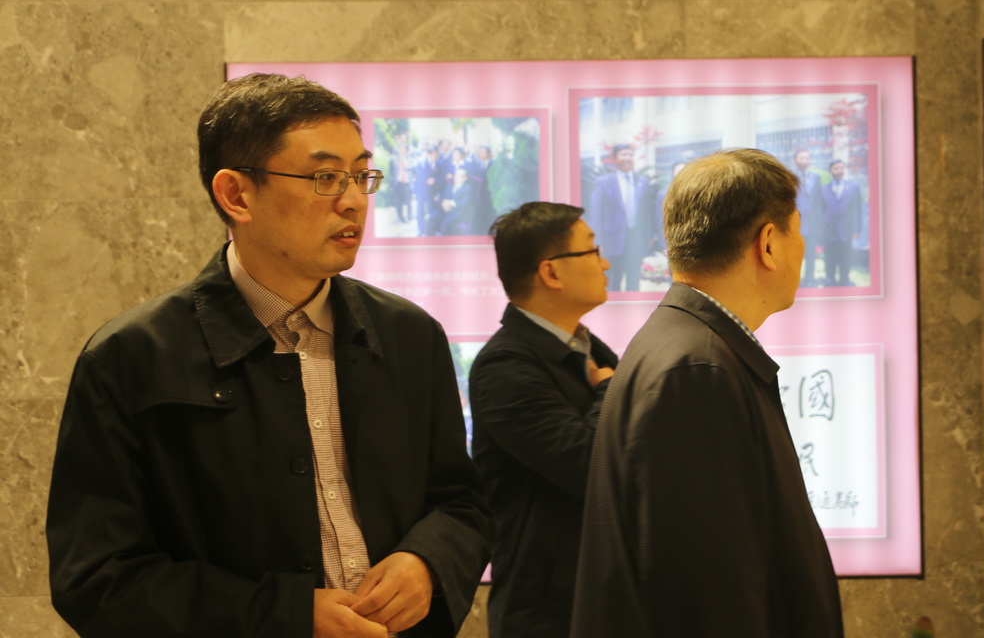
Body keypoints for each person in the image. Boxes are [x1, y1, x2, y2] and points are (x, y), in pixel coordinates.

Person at [46, 73, 491, 638]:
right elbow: (96, 578)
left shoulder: (409, 334)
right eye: (325, 178)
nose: (354, 201)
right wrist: (286, 616)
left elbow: (462, 502)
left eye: (360, 175)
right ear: (236, 195)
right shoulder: (131, 357)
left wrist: (427, 559)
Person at [571, 148, 843, 638]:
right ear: (768, 244)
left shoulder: (689, 347)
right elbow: (706, 598)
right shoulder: (696, 371)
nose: (803, 246)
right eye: (798, 229)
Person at [469, 202, 618, 638]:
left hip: (602, 590)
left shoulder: (589, 348)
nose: (605, 263)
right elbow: (589, 465)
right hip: (547, 609)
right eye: (592, 250)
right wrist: (609, 391)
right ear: (551, 272)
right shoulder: (504, 366)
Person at [589, 144, 651, 291]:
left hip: (635, 239)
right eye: (623, 154)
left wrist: (648, 235)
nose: (627, 158)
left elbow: (646, 213)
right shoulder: (604, 182)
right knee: (612, 282)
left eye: (630, 155)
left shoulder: (642, 182)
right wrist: (597, 241)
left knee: (633, 281)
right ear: (615, 158)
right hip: (612, 240)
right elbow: (596, 213)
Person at [821, 158, 862, 287]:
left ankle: (845, 280)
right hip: (829, 229)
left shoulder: (853, 187)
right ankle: (830, 279)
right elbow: (820, 210)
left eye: (841, 168)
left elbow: (858, 209)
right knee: (829, 256)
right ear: (830, 170)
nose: (839, 171)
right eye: (836, 168)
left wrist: (857, 229)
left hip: (846, 229)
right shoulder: (823, 189)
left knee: (846, 256)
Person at [792, 148, 824, 287]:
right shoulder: (790, 177)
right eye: (801, 158)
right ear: (795, 160)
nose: (804, 161)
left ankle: (810, 279)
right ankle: (795, 281)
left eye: (807, 158)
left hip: (812, 223)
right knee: (795, 254)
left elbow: (819, 200)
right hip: (796, 222)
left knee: (811, 252)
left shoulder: (816, 178)